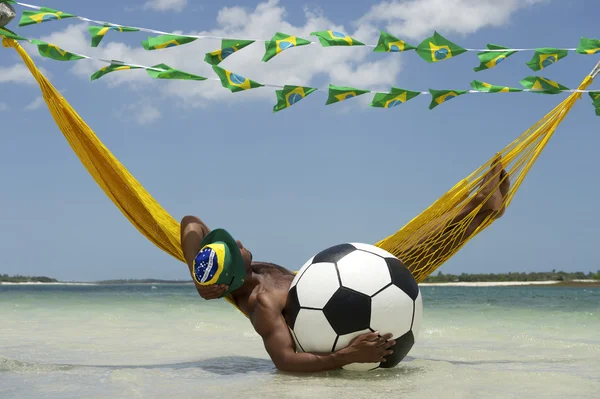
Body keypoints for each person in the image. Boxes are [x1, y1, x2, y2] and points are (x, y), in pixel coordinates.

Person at [180, 157, 510, 373]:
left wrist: (196, 268)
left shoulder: (253, 272)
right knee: (413, 251)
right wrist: (348, 356)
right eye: (234, 251)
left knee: (415, 249)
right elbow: (284, 361)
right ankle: (481, 208)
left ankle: (480, 207)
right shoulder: (261, 304)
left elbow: (190, 223)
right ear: (234, 272)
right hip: (339, 326)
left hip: (344, 292)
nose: (237, 243)